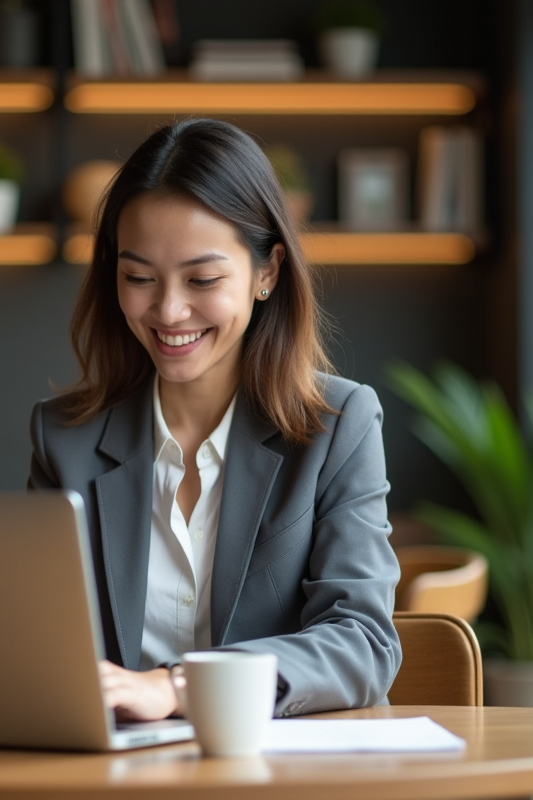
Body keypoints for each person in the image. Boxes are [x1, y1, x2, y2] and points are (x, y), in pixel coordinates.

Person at [28, 118, 400, 721]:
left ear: (267, 272)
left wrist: (175, 689)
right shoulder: (62, 438)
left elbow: (362, 641)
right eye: (138, 278)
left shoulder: (339, 426)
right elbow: (37, 639)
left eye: (202, 279)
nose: (169, 310)